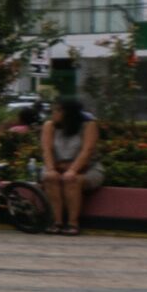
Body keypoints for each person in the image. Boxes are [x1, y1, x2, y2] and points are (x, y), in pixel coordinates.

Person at [42, 94, 102, 234]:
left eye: (57, 111)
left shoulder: (88, 125)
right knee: (51, 177)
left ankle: (73, 223)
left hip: (86, 169)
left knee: (71, 179)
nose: (53, 114)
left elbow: (87, 151)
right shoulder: (49, 126)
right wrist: (51, 169)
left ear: (67, 112)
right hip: (57, 166)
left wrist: (73, 170)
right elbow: (47, 149)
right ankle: (56, 221)